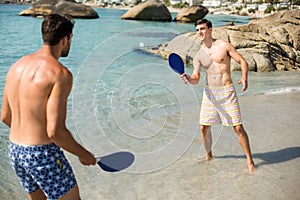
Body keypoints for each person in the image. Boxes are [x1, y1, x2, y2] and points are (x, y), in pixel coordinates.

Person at [1, 14, 96, 199]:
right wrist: (84, 154)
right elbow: (55, 132)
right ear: (65, 39)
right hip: (42, 155)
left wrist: (28, 139)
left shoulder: (16, 66)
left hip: (16, 151)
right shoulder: (60, 74)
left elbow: (5, 116)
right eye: (71, 39)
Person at [181, 19, 255, 174]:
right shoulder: (198, 55)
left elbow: (241, 60)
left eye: (202, 29)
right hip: (209, 94)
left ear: (210, 30)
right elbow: (196, 78)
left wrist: (244, 76)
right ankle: (209, 156)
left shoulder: (223, 46)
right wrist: (189, 78)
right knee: (203, 127)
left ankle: (250, 160)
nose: (199, 32)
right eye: (197, 30)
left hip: (227, 92)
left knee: (238, 127)